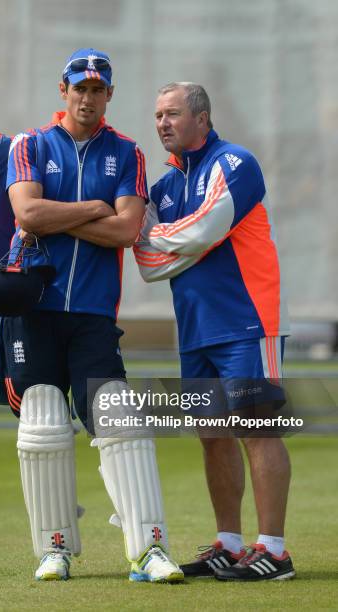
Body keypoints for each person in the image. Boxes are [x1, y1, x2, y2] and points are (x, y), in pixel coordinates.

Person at [2, 49, 183, 583]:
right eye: (78, 88)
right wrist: (95, 208)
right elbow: (26, 213)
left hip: (93, 314)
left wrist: (58, 217)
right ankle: (54, 549)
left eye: (97, 89)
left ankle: (148, 550)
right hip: (33, 309)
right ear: (63, 91)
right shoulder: (29, 145)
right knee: (41, 423)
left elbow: (127, 232)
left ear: (109, 94)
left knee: (120, 418)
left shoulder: (126, 153)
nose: (87, 97)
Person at [134, 82, 295, 581]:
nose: (162, 123)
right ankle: (227, 544)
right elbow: (145, 262)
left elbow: (207, 229)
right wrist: (178, 242)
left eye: (173, 114)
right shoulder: (161, 188)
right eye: (158, 115)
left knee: (257, 429)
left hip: (249, 320)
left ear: (202, 118)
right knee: (211, 435)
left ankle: (274, 551)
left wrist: (171, 239)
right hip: (197, 331)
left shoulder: (235, 163)